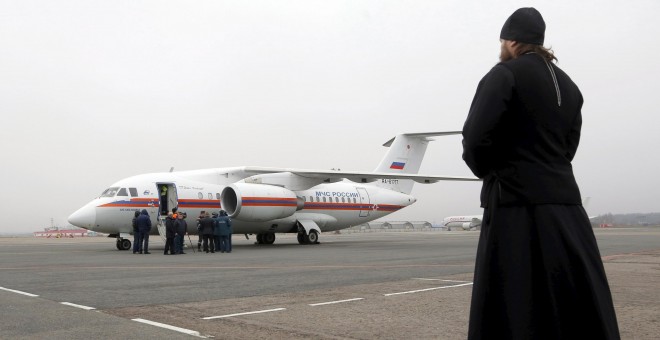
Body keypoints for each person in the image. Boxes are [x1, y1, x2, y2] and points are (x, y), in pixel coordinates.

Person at [462, 8, 620, 339]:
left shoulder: (504, 74)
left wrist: (491, 173)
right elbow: (568, 148)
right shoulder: (571, 87)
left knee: (516, 305)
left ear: (512, 40)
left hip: (515, 208)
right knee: (570, 304)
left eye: (503, 39)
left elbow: (475, 138)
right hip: (567, 211)